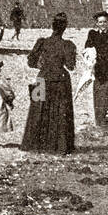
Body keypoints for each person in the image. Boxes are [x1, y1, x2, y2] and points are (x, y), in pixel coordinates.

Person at [22, 12, 77, 154]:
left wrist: (44, 66)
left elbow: (30, 62)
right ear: (65, 28)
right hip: (60, 80)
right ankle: (59, 146)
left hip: (42, 78)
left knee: (36, 110)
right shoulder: (68, 45)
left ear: (52, 26)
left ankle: (34, 144)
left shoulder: (42, 42)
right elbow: (71, 66)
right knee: (60, 112)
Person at [84, 11, 108, 126]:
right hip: (98, 71)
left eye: (105, 22)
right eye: (100, 22)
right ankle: (100, 123)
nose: (103, 24)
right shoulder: (93, 35)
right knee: (98, 97)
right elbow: (87, 50)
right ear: (97, 23)